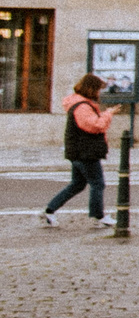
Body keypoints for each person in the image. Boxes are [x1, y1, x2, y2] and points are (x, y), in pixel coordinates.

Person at [42, 75, 118, 228]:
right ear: (91, 89)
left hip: (79, 151)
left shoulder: (79, 103)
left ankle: (50, 210)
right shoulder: (82, 106)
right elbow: (95, 126)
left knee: (77, 184)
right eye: (98, 89)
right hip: (85, 152)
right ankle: (99, 216)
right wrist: (108, 114)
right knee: (98, 183)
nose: (99, 93)